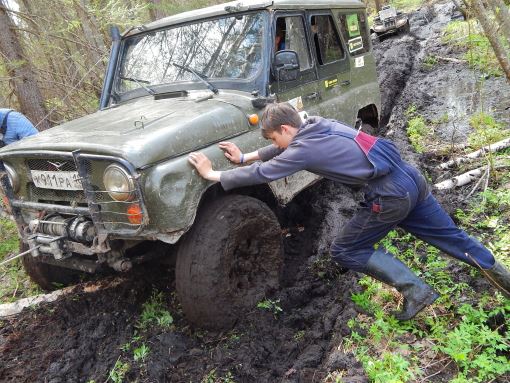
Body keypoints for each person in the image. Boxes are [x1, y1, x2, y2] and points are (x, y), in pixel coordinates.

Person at [188, 102, 510, 320]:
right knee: (452, 238)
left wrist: (213, 175)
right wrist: (244, 156)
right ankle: (505, 280)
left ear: (287, 129)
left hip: (389, 194)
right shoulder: (315, 123)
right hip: (410, 178)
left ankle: (417, 291)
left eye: (275, 137)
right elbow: (279, 149)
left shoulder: (303, 148)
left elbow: (265, 172)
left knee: (345, 249)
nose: (277, 143)